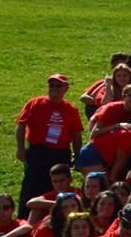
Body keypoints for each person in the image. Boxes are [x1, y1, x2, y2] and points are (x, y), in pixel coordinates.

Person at [15, 74, 84, 204]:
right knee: (32, 186)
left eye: (58, 85)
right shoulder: (35, 103)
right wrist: (20, 148)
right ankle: (26, 216)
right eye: (51, 85)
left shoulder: (71, 109)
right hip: (38, 151)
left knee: (58, 187)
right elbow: (21, 125)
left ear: (66, 89)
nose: (54, 88)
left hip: (60, 153)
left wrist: (77, 154)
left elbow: (76, 134)